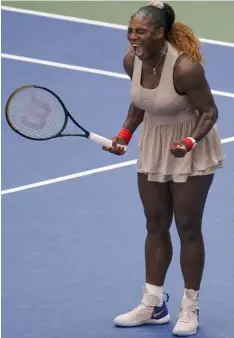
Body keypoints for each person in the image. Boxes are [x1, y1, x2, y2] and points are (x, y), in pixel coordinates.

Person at [103, 1, 225, 336]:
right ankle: (153, 303)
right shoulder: (132, 61)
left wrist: (189, 143)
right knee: (155, 222)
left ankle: (190, 308)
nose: (132, 37)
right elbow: (140, 101)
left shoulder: (185, 68)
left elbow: (209, 112)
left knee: (187, 226)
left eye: (140, 31)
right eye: (130, 30)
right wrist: (124, 134)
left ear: (160, 33)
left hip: (190, 145)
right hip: (155, 145)